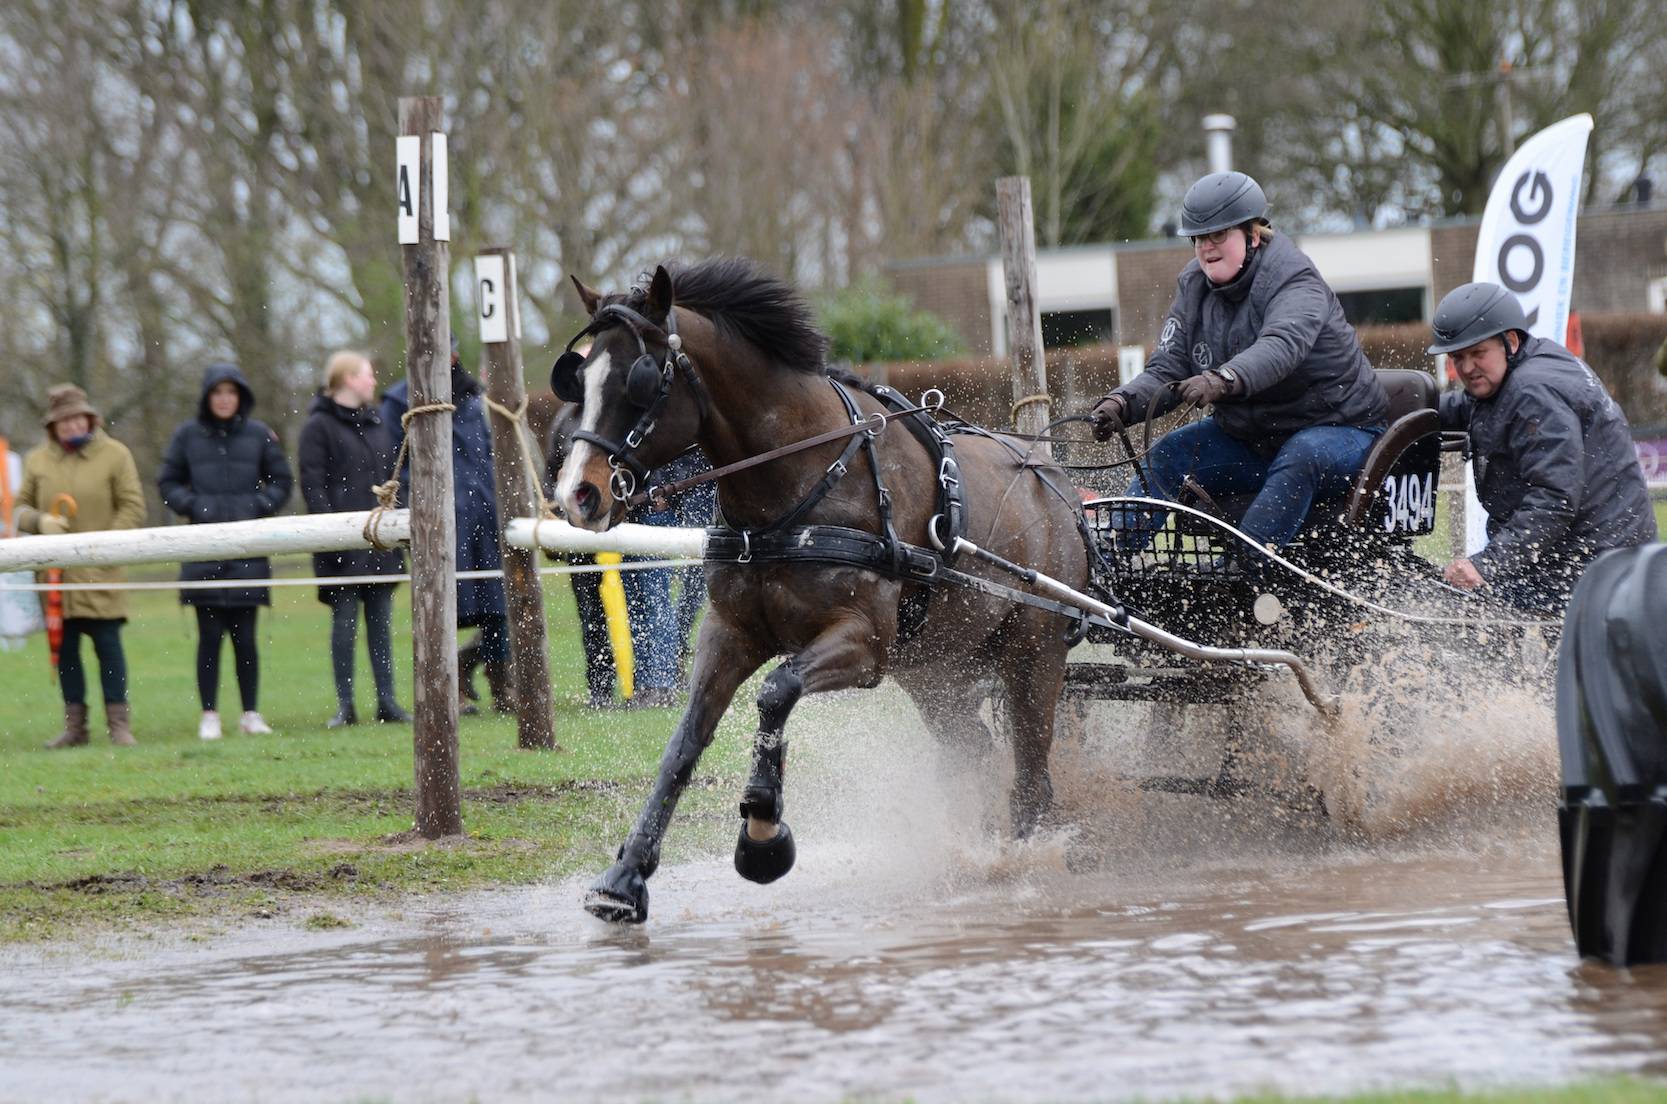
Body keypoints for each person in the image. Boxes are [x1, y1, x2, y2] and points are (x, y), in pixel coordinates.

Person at [1091, 171, 1389, 556]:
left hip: (1342, 432)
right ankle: (1106, 569)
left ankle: (1249, 579)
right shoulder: (1193, 286)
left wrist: (1222, 379)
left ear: (1253, 234)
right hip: (1252, 441)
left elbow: (1281, 346)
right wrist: (1122, 403)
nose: (1206, 247)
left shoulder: (1294, 278)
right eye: (1199, 238)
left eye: (1219, 235)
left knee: (1303, 454)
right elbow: (1166, 369)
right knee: (1168, 455)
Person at [1429, 282, 1658, 613]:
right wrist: (1406, 408)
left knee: (1468, 615)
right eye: (1458, 357)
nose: (1466, 368)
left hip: (1598, 569)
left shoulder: (1533, 393)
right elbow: (1466, 408)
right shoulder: (1522, 368)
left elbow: (1554, 499)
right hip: (1593, 555)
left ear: (1509, 341)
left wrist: (1488, 565)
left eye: (1477, 353)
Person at [157, 363, 294, 740]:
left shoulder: (259, 435)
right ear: (207, 396)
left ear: (240, 397)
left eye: (231, 393)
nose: (224, 400)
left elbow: (282, 481)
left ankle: (250, 712)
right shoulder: (186, 436)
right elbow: (167, 482)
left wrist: (258, 506)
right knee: (209, 638)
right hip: (203, 553)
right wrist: (195, 506)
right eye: (217, 392)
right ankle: (210, 715)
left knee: (246, 639)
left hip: (248, 552)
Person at [383, 337, 513, 714]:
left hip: (482, 512)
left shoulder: (472, 396)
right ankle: (447, 685)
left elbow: (486, 452)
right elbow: (395, 460)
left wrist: (492, 494)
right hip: (437, 518)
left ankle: (500, 680)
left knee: (495, 604)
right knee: (445, 606)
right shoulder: (399, 402)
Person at [13, 384, 146, 748]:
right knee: (65, 652)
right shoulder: (37, 461)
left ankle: (119, 724)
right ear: (52, 426)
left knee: (109, 648)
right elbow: (18, 509)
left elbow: (132, 507)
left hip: (103, 573)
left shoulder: (116, 454)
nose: (71, 426)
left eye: (76, 418)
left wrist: (103, 549)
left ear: (90, 418)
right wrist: (41, 523)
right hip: (56, 579)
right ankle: (75, 727)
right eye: (63, 421)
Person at [298, 351, 411, 727]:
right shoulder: (318, 428)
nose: (373, 381)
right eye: (367, 374)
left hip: (380, 546)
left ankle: (387, 702)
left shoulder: (379, 423)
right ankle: (345, 705)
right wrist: (334, 536)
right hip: (341, 550)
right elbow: (314, 487)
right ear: (347, 378)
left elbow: (394, 479)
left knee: (381, 627)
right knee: (344, 626)